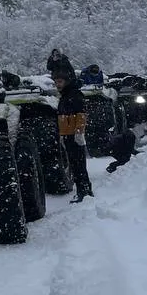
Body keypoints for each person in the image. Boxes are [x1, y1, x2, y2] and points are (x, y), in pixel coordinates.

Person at [51, 67, 94, 201]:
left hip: (74, 135)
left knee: (78, 164)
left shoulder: (74, 94)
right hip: (67, 134)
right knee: (75, 165)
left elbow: (81, 114)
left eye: (60, 82)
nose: (58, 85)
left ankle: (84, 192)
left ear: (66, 81)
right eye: (56, 82)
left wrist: (79, 132)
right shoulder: (65, 95)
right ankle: (84, 191)